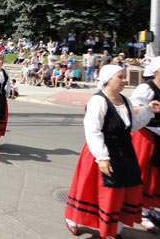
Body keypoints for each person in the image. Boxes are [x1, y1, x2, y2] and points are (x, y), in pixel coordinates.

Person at [65, 65, 160, 239]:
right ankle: (74, 217)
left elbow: (132, 125)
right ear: (108, 79)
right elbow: (93, 130)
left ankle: (113, 227)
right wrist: (101, 157)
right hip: (101, 151)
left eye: (124, 77)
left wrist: (148, 111)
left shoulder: (125, 101)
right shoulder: (98, 101)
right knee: (94, 189)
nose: (125, 80)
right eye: (120, 77)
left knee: (123, 190)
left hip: (124, 152)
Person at [129, 56, 160, 233]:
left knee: (155, 176)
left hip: (158, 137)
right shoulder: (146, 88)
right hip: (146, 135)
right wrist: (149, 107)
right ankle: (139, 210)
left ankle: (149, 207)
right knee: (144, 173)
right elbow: (131, 107)